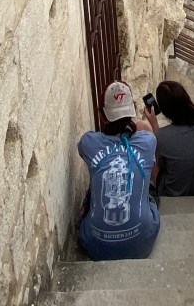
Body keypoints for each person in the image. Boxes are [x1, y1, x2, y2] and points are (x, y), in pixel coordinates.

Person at [76, 81, 160, 260]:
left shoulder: (88, 143)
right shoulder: (148, 141)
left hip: (96, 247)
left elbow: (89, 147)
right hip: (141, 244)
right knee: (150, 198)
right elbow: (143, 133)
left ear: (102, 114)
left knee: (92, 191)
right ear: (134, 107)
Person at [146, 80, 194, 196]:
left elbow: (161, 165)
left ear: (165, 111)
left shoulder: (160, 136)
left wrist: (154, 124)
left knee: (148, 157)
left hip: (174, 194)